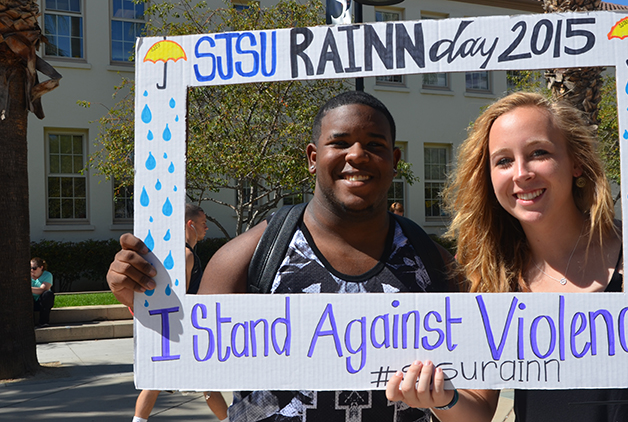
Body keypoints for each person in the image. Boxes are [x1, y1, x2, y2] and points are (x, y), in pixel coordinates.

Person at [107, 91, 457, 422]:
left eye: (375, 145)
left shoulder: (431, 261)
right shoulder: (247, 256)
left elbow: (473, 394)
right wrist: (140, 299)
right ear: (312, 157)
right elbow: (187, 359)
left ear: (394, 161)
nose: (357, 155)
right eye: (339, 142)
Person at [385, 92, 628, 422]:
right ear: (489, 178)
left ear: (576, 164)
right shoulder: (491, 278)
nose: (521, 173)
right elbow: (477, 411)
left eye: (539, 153)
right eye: (503, 161)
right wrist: (441, 398)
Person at [132, 204, 228, 422]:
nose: (206, 228)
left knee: (158, 382)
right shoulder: (185, 255)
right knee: (206, 383)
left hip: (175, 328)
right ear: (190, 225)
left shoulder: (183, 253)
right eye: (203, 224)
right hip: (183, 329)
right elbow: (180, 297)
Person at [31, 257, 55, 328]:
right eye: (30, 268)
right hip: (30, 302)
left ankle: (43, 322)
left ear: (41, 267)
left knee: (48, 294)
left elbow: (44, 289)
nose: (31, 270)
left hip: (42, 302)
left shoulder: (47, 275)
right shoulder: (25, 275)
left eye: (34, 268)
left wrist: (28, 289)